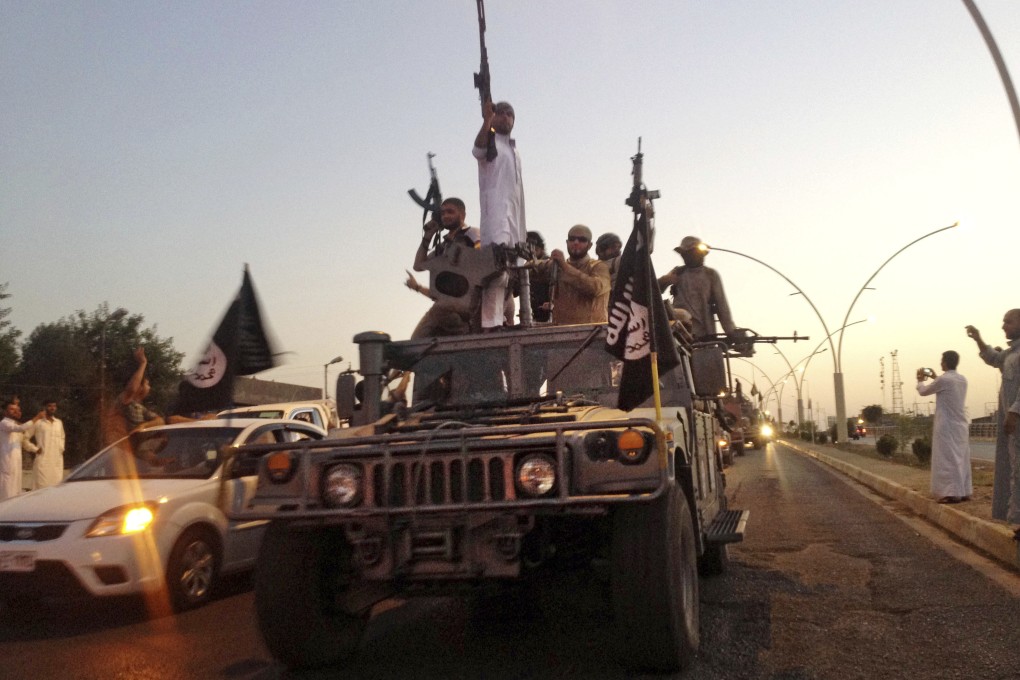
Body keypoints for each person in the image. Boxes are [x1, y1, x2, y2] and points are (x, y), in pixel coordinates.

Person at [966, 309, 1020, 537]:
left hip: (1016, 420)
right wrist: (978, 339)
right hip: (1013, 426)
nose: (1003, 326)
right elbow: (993, 358)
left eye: (1008, 321)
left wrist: (1014, 412)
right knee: (1014, 470)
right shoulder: (1011, 353)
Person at [473, 100, 525, 330]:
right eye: (500, 113)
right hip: (496, 216)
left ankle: (504, 320)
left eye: (509, 114)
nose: (505, 117)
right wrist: (486, 121)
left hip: (515, 218)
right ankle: (490, 324)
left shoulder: (513, 149)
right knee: (496, 272)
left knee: (512, 273)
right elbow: (478, 149)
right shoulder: (490, 141)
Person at [405, 197, 480, 338]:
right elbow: (419, 265)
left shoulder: (471, 233)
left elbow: (481, 254)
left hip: (469, 303)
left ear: (462, 215)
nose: (445, 216)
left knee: (417, 340)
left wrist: (457, 250)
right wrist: (427, 237)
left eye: (450, 212)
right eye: (443, 213)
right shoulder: (442, 246)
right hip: (449, 307)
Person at [657, 235, 738, 341]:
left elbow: (721, 305)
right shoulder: (677, 272)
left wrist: (731, 332)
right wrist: (666, 280)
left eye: (692, 252)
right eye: (685, 254)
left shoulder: (710, 274)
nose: (687, 256)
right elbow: (654, 290)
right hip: (681, 334)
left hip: (705, 334)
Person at [916, 351, 972, 503]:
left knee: (947, 459)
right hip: (961, 424)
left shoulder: (944, 380)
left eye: (942, 360)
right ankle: (964, 491)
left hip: (946, 425)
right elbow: (945, 387)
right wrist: (936, 377)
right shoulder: (962, 379)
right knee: (961, 458)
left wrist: (920, 380)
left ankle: (950, 493)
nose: (941, 363)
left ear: (945, 362)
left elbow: (923, 391)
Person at [534, 225, 610, 325]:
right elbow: (530, 268)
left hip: (593, 335)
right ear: (567, 242)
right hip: (561, 334)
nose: (576, 242)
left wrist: (564, 266)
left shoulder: (599, 267)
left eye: (582, 239)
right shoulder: (558, 266)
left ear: (590, 245)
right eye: (572, 239)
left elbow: (594, 288)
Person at [0, 399, 44, 500]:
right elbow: (21, 428)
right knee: (7, 490)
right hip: (6, 462)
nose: (15, 412)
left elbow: (24, 441)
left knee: (15, 490)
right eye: (11, 409)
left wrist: (35, 449)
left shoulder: (16, 426)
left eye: (17, 409)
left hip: (16, 462)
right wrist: (37, 418)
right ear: (5, 412)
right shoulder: (4, 423)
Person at [29, 398, 66, 489]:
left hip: (57, 462)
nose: (52, 408)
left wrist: (61, 448)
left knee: (56, 490)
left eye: (54, 406)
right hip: (43, 461)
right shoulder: (38, 422)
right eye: (50, 406)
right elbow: (25, 438)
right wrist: (35, 449)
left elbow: (62, 437)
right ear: (44, 407)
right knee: (42, 489)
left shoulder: (59, 423)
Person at [525, 231, 551, 322]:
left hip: (549, 315)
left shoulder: (548, 265)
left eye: (534, 249)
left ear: (541, 249)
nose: (530, 253)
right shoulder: (525, 268)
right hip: (533, 316)